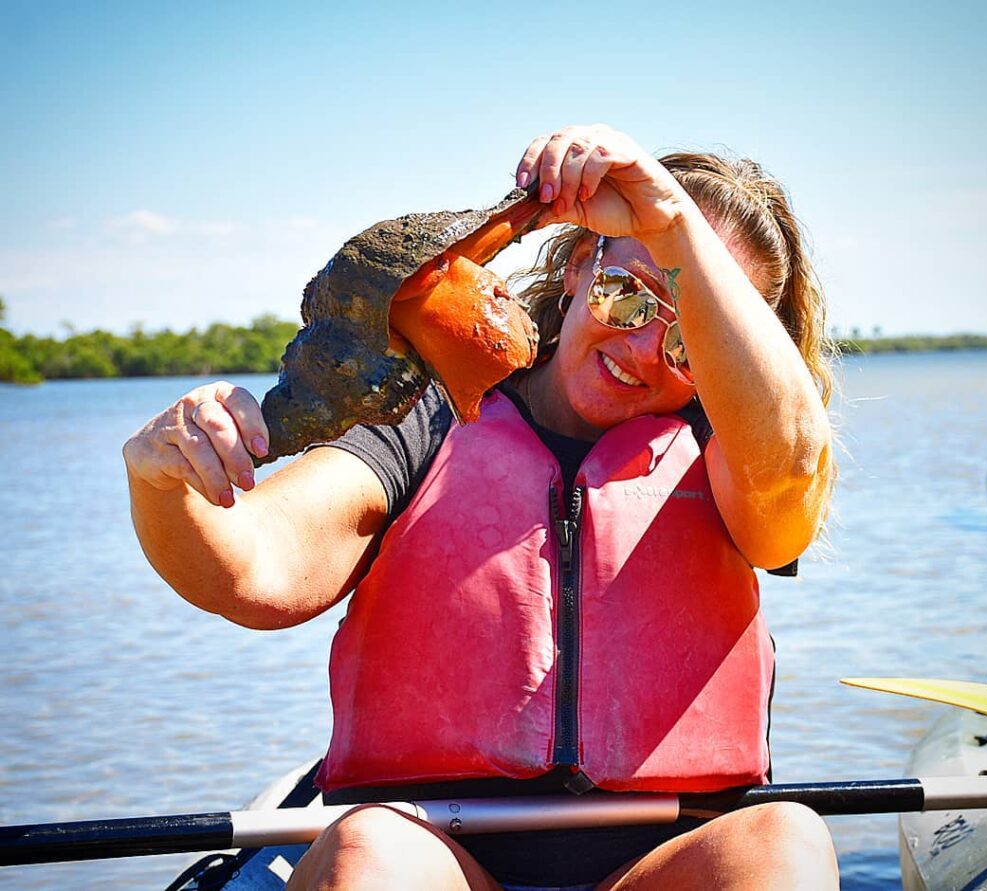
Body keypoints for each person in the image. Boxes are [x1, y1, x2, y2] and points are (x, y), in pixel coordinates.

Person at [124, 125, 839, 890]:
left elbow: (790, 463)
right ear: (576, 268)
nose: (640, 350)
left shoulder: (744, 453)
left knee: (785, 839)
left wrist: (671, 225)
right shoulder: (427, 416)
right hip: (438, 858)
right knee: (368, 850)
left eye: (691, 338)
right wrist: (165, 483)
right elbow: (256, 568)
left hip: (669, 862)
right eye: (627, 295)